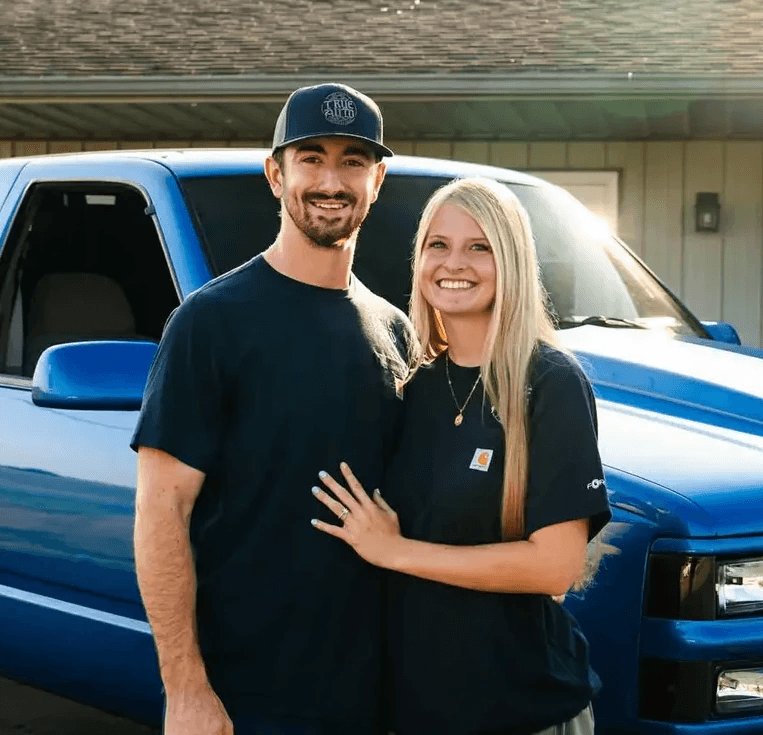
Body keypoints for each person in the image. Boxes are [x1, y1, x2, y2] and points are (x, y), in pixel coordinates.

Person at [131, 83, 411, 735]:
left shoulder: (395, 330)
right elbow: (161, 509)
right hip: (246, 700)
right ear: (274, 173)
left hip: (377, 698)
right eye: (310, 157)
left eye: (351, 160)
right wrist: (186, 688)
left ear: (377, 180)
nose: (330, 179)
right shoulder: (211, 323)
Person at [311, 177, 612, 735]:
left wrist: (397, 552)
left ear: (512, 261)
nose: (456, 263)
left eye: (480, 247)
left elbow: (556, 567)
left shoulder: (548, 384)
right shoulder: (412, 388)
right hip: (419, 710)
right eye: (438, 245)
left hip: (522, 709)